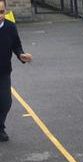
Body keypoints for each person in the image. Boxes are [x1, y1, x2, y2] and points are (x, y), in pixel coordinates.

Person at [0, 0, 32, 142]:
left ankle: (0, 127)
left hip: (3, 72)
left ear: (6, 11)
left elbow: (16, 45)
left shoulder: (10, 27)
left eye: (1, 12)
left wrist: (21, 55)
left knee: (5, 103)